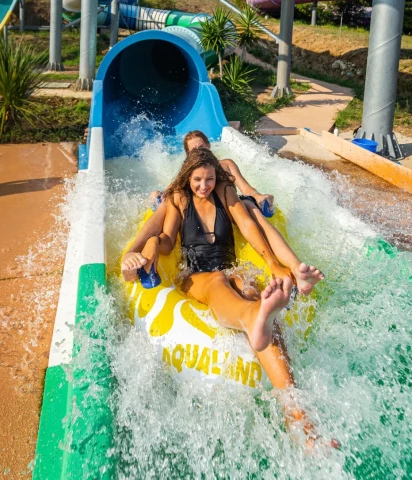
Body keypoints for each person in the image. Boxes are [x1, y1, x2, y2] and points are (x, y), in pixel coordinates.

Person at [125, 148, 338, 448]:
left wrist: (272, 263)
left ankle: (300, 420)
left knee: (248, 287)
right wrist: (150, 243)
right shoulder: (179, 199)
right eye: (197, 180)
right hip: (194, 276)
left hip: (230, 267)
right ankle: (253, 316)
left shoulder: (225, 193)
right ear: (188, 178)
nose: (203, 186)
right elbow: (168, 241)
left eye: (209, 179)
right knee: (217, 282)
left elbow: (249, 227)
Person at [122, 130, 324, 296]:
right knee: (167, 204)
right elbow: (177, 191)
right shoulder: (187, 185)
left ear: (209, 147)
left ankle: (294, 267)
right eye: (194, 150)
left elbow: (246, 189)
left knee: (250, 209)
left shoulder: (225, 166)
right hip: (203, 236)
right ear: (188, 159)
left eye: (202, 147)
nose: (199, 152)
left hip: (230, 210)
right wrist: (159, 197)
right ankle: (134, 253)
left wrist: (259, 196)